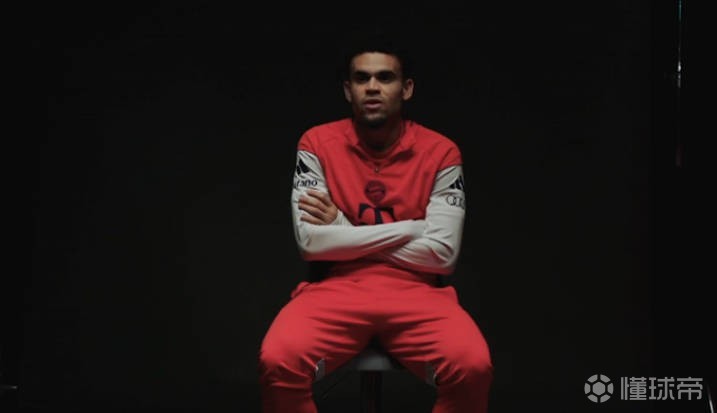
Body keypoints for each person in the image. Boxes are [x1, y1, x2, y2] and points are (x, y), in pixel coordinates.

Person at [258, 31, 493, 413]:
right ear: (347, 90)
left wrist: (342, 228)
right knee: (278, 360)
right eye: (361, 78)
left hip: (417, 292)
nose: (372, 87)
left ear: (406, 88)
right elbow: (312, 244)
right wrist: (412, 229)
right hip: (336, 288)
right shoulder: (316, 143)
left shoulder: (442, 151)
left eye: (385, 77)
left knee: (472, 367)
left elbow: (442, 256)